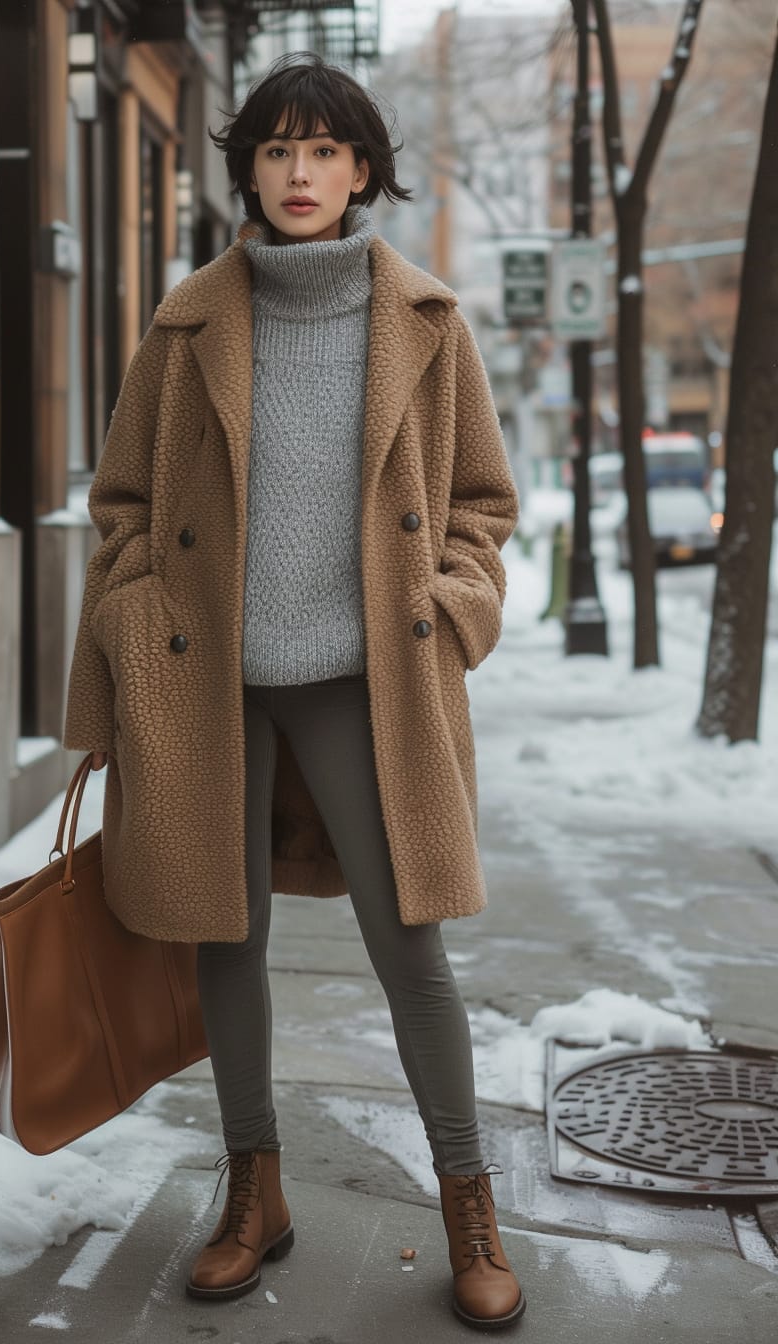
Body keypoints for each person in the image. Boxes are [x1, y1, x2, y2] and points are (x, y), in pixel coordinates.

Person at [63, 51, 523, 1333]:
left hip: (364, 681)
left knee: (407, 948)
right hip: (206, 683)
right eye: (275, 151)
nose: (299, 173)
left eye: (323, 151)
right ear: (247, 173)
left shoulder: (423, 322)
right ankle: (251, 1192)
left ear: (362, 168)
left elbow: (482, 501)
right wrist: (133, 607)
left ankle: (466, 1203)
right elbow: (123, 506)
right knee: (227, 938)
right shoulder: (189, 319)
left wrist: (449, 602)